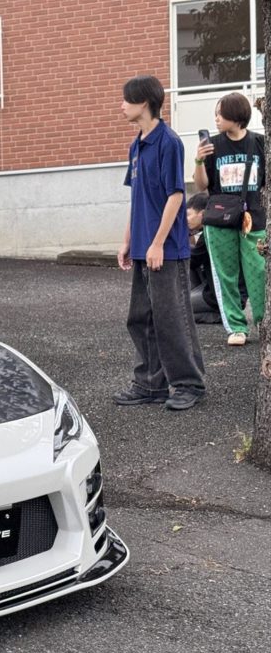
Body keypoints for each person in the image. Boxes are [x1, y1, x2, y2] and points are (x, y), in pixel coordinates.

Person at [114, 75, 205, 411]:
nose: (121, 106)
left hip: (166, 249)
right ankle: (150, 384)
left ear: (144, 103)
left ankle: (189, 384)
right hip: (142, 247)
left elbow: (176, 196)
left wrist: (157, 243)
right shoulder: (136, 146)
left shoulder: (169, 142)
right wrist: (127, 240)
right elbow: (136, 198)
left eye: (126, 100)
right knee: (141, 318)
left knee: (172, 318)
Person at [193, 92, 266, 346]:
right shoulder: (213, 145)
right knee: (226, 275)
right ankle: (236, 327)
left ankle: (264, 323)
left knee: (259, 271)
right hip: (220, 219)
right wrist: (199, 160)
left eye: (220, 113)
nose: (216, 118)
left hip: (253, 218)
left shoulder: (259, 143)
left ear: (235, 115)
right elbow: (201, 185)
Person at [185, 192, 248, 324]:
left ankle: (219, 315)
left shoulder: (210, 233)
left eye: (188, 215)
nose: (186, 219)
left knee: (180, 307)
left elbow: (191, 259)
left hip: (220, 295)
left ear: (202, 214)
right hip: (220, 290)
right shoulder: (213, 229)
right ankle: (212, 308)